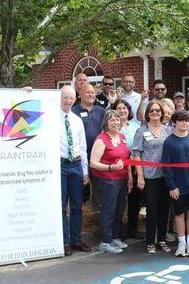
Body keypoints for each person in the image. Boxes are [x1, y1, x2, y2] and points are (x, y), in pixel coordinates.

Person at [89, 110, 133, 254]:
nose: (115, 122)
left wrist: (130, 177)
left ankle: (115, 237)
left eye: (117, 120)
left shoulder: (122, 136)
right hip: (107, 180)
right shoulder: (102, 139)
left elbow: (126, 159)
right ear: (106, 123)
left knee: (119, 210)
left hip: (122, 179)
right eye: (112, 120)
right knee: (108, 210)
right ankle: (105, 241)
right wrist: (110, 167)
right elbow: (93, 163)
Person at [162, 110, 189, 257]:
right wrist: (171, 186)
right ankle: (181, 242)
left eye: (187, 121)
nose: (184, 123)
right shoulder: (169, 142)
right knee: (179, 214)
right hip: (178, 186)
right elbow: (166, 166)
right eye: (181, 121)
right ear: (174, 123)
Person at [132, 100, 172, 254]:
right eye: (152, 111)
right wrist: (140, 176)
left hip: (166, 176)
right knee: (152, 209)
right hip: (149, 176)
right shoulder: (141, 131)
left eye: (157, 110)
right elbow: (136, 154)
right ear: (147, 114)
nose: (155, 113)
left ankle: (162, 239)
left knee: (164, 209)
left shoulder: (168, 130)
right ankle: (150, 242)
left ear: (162, 113)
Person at [59, 86, 90, 256]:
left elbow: (83, 146)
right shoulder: (50, 117)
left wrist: (85, 171)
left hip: (77, 165)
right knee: (62, 206)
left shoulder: (77, 120)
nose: (68, 101)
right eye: (65, 97)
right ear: (60, 97)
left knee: (78, 205)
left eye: (71, 98)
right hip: (61, 165)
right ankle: (65, 242)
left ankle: (76, 240)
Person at [72, 83, 106, 212]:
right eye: (87, 92)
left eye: (93, 92)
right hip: (80, 158)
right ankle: (78, 217)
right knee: (79, 189)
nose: (91, 95)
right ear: (80, 94)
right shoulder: (74, 112)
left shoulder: (101, 111)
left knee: (98, 189)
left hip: (99, 158)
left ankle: (97, 216)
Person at [111, 99, 141, 238]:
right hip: (118, 168)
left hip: (135, 167)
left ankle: (133, 229)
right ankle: (118, 231)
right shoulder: (112, 127)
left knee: (135, 200)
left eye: (124, 108)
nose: (122, 111)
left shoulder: (135, 126)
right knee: (119, 201)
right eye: (119, 108)